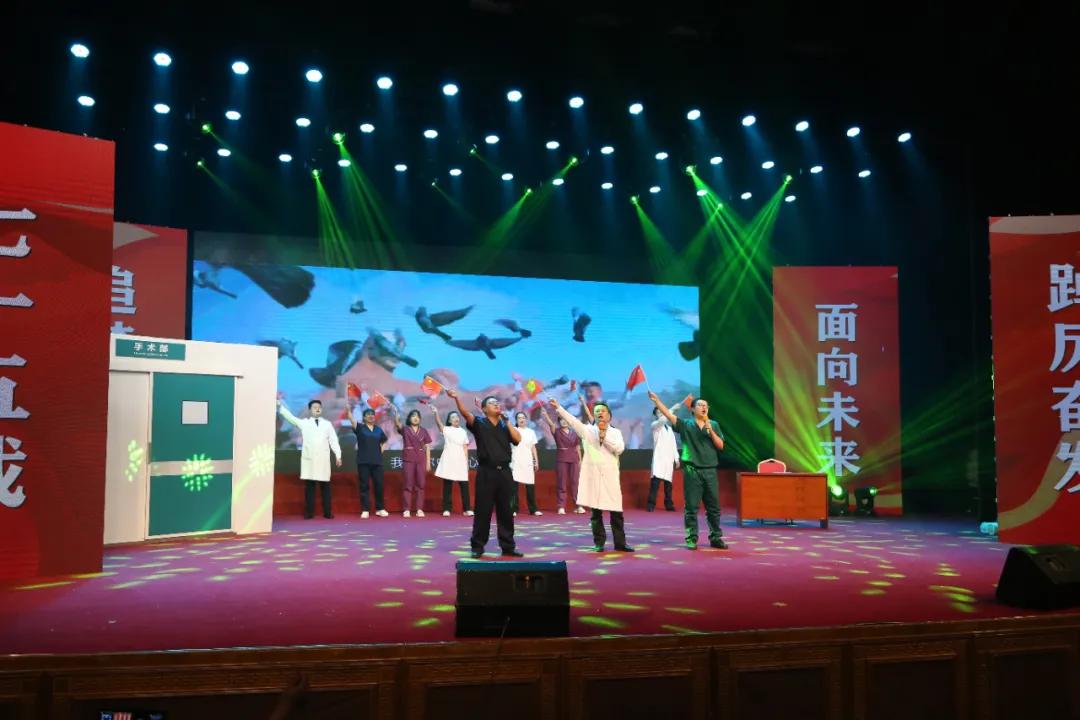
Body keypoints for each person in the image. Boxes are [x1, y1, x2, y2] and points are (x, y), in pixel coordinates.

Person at [549, 396, 633, 552]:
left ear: (609, 416)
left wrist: (604, 437)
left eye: (603, 411)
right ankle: (599, 543)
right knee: (596, 513)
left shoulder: (616, 432)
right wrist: (558, 408)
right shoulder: (588, 430)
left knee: (616, 512)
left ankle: (620, 543)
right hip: (593, 476)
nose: (600, 413)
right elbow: (573, 421)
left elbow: (619, 449)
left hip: (610, 476)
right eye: (597, 411)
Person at [447, 387, 523, 558]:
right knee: (483, 511)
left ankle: (508, 546)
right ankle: (478, 547)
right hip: (486, 472)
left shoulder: (505, 425)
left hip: (505, 473)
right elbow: (465, 414)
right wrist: (456, 398)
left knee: (506, 511)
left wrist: (507, 421)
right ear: (484, 409)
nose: (496, 404)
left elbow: (518, 439)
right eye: (492, 403)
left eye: (497, 403)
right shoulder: (479, 423)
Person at [649, 390, 727, 549]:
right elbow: (669, 416)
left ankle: (716, 537)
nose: (704, 407)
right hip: (692, 471)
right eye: (700, 405)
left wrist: (711, 431)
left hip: (710, 470)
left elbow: (720, 445)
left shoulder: (714, 424)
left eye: (706, 406)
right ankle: (691, 538)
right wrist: (657, 401)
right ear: (692, 409)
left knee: (713, 507)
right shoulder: (685, 425)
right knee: (691, 507)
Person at [278, 399, 342, 519]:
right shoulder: (305, 423)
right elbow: (291, 418)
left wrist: (338, 455)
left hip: (323, 459)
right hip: (310, 459)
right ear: (310, 410)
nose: (317, 409)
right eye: (314, 407)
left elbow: (334, 440)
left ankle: (328, 512)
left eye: (319, 407)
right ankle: (309, 512)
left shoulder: (327, 424)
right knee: (310, 488)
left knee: (325, 487)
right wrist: (280, 407)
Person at [539, 405, 584, 514]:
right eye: (561, 420)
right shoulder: (557, 431)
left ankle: (578, 506)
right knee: (561, 483)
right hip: (562, 458)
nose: (564, 422)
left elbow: (578, 447)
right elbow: (551, 424)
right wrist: (546, 415)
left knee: (575, 483)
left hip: (574, 459)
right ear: (559, 422)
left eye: (565, 420)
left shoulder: (575, 433)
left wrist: (580, 460)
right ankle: (561, 506)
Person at [431, 404, 473, 516]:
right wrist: (436, 413)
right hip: (449, 460)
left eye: (457, 416)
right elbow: (439, 424)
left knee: (464, 485)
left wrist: (466, 462)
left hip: (460, 460)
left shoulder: (463, 431)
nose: (456, 418)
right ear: (449, 421)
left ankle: (467, 509)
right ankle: (447, 509)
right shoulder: (447, 429)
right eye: (453, 417)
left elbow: (465, 447)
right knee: (447, 486)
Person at [348, 407, 389, 518]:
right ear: (364, 417)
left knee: (379, 485)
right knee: (364, 485)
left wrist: (381, 449)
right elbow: (351, 420)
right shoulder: (360, 428)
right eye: (368, 414)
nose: (371, 416)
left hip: (377, 461)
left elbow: (384, 440)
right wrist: (348, 410)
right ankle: (365, 509)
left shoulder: (378, 429)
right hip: (363, 461)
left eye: (372, 414)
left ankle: (380, 508)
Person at [393, 406, 432, 517]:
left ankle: (419, 509)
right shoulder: (405, 429)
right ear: (409, 418)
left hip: (421, 459)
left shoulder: (424, 431)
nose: (415, 418)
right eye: (413, 416)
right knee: (408, 484)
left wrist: (428, 463)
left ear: (420, 419)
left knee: (421, 484)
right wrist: (396, 414)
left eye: (417, 416)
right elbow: (397, 424)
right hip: (408, 459)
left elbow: (427, 447)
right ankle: (406, 509)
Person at [509, 411, 541, 516]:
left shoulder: (531, 432)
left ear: (526, 419)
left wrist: (536, 461)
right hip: (516, 460)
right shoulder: (513, 430)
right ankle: (514, 509)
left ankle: (533, 509)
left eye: (523, 417)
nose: (521, 419)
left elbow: (533, 447)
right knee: (514, 487)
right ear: (516, 420)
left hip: (528, 461)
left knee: (530, 486)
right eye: (519, 418)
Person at [647, 405, 679, 512]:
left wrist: (676, 458)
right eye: (658, 412)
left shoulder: (669, 429)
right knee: (655, 484)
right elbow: (662, 420)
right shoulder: (655, 425)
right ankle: (651, 504)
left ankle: (669, 505)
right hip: (659, 459)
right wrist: (672, 409)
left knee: (668, 485)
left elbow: (673, 445)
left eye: (662, 411)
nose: (660, 413)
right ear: (655, 415)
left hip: (668, 459)